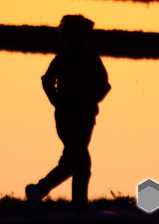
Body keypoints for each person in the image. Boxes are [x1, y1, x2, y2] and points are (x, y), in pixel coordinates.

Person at [25, 14, 110, 215]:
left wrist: (57, 101)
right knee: (79, 161)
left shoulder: (64, 58)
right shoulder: (89, 58)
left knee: (75, 160)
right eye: (87, 34)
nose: (90, 38)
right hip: (80, 116)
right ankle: (71, 205)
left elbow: (47, 81)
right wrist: (87, 99)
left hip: (68, 115)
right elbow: (103, 85)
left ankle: (45, 193)